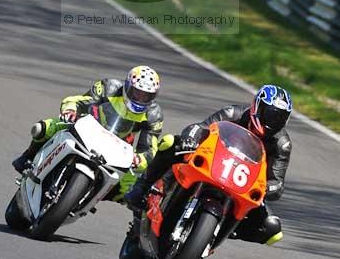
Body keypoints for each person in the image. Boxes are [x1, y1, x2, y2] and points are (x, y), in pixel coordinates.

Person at [124, 84, 292, 245]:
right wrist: (190, 139)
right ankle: (142, 186)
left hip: (243, 182)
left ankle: (224, 229)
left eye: (279, 118)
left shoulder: (282, 144)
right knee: (169, 142)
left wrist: (267, 188)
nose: (273, 122)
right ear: (257, 107)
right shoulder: (232, 113)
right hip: (213, 162)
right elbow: (200, 128)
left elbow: (277, 182)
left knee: (272, 230)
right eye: (270, 115)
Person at [12, 66, 163, 196]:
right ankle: (28, 156)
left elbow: (149, 148)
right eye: (137, 93)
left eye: (146, 95)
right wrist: (70, 110)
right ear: (128, 86)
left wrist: (140, 159)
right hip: (87, 127)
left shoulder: (153, 114)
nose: (141, 98)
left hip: (118, 148)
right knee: (44, 127)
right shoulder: (108, 87)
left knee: (129, 188)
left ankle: (96, 194)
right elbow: (78, 101)